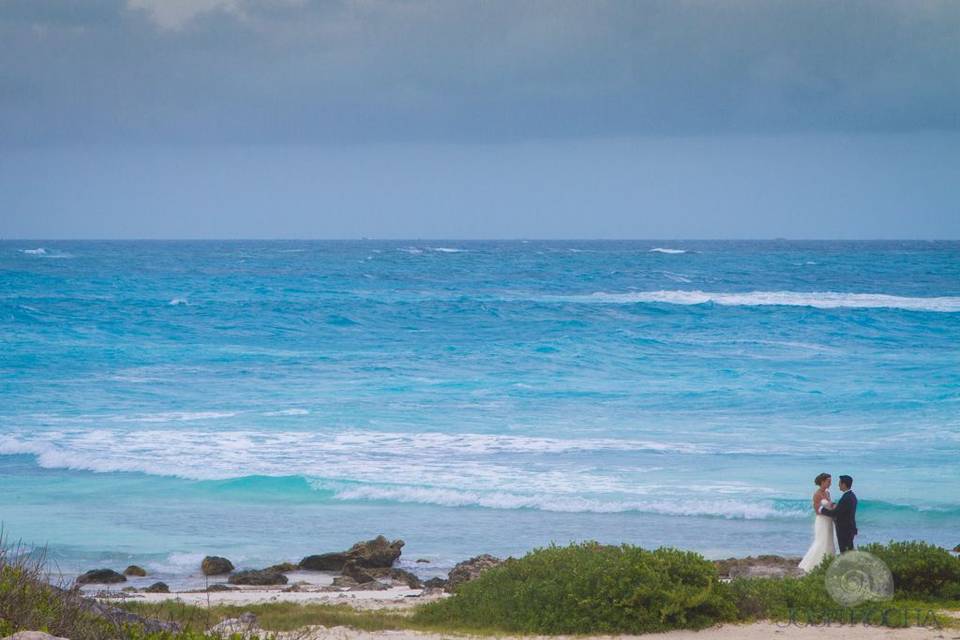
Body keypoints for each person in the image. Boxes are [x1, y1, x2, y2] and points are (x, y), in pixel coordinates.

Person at [798, 472, 837, 572]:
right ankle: (813, 564)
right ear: (822, 481)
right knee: (821, 541)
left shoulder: (827, 493)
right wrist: (829, 509)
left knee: (829, 540)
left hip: (829, 520)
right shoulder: (817, 494)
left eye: (830, 481)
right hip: (821, 520)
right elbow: (817, 510)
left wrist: (833, 508)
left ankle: (827, 562)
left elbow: (829, 505)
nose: (830, 484)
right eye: (828, 481)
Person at [820, 474, 858, 552]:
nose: (838, 485)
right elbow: (843, 510)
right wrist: (834, 505)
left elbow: (835, 513)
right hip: (849, 528)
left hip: (845, 530)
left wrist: (822, 510)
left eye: (840, 483)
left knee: (844, 551)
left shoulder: (846, 498)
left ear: (844, 484)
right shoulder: (851, 496)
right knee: (848, 551)